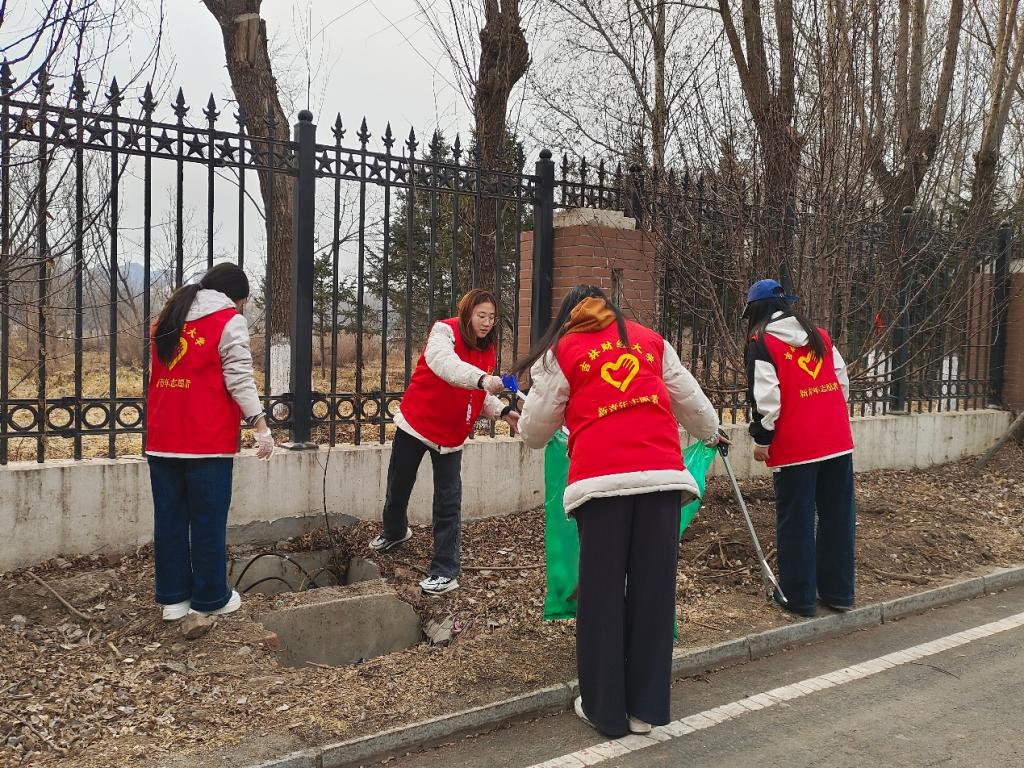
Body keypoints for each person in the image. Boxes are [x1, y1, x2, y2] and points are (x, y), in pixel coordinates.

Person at [513, 285, 723, 739]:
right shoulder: (650, 341)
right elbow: (694, 405)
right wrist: (712, 432)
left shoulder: (562, 351)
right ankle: (645, 709)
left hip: (601, 486)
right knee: (653, 593)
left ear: (567, 316)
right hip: (661, 481)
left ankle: (605, 711)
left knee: (602, 596)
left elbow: (534, 432)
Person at [369, 289, 520, 596]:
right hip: (417, 424)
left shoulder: (487, 350)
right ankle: (395, 533)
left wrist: (503, 411)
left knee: (448, 503)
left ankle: (445, 570)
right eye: (481, 315)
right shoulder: (444, 332)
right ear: (467, 313)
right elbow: (445, 365)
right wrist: (482, 379)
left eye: (492, 317)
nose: (487, 322)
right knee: (398, 487)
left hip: (452, 436)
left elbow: (477, 394)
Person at [145, 263, 274, 622]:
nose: (240, 308)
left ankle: (174, 600)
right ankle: (210, 598)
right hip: (206, 440)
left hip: (162, 437)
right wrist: (260, 425)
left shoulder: (166, 320)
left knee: (169, 520)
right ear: (235, 297)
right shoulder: (228, 321)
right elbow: (239, 378)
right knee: (207, 521)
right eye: (242, 302)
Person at [742, 278, 855, 618]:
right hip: (836, 441)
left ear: (755, 310)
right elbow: (841, 381)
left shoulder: (762, 341)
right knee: (838, 517)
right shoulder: (819, 335)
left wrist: (762, 439)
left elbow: (767, 398)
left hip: (796, 447)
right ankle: (839, 593)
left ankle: (799, 597)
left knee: (796, 521)